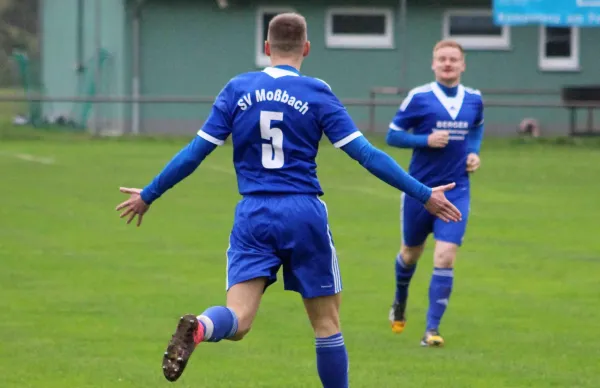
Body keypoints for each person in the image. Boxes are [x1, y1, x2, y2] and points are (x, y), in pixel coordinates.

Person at [115, 14, 461, 387]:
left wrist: (148, 194)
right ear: (306, 48)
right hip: (302, 212)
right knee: (326, 324)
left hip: (253, 214)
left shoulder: (237, 89)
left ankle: (200, 327)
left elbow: (193, 154)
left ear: (266, 48)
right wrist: (423, 193)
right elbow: (366, 155)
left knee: (239, 318)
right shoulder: (316, 92)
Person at [386, 39, 484, 347]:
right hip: (420, 191)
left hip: (457, 190)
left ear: (462, 64)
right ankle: (400, 299)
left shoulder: (474, 99)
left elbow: (477, 128)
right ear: (433, 63)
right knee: (410, 254)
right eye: (442, 59)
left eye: (453, 59)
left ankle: (431, 331)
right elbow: (392, 135)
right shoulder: (420, 97)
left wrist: (473, 153)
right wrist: (425, 140)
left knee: (445, 256)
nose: (447, 64)